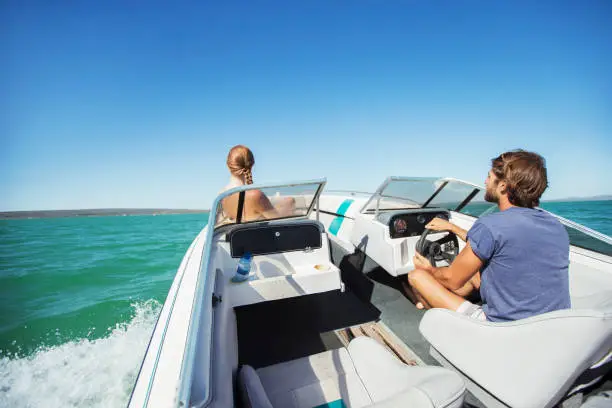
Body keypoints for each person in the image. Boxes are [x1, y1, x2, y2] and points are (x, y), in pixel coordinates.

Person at [406, 150, 570, 322]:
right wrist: (452, 228)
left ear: (503, 185)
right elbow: (492, 242)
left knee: (416, 276)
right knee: (475, 275)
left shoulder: (489, 225)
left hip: (502, 328)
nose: (485, 182)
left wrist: (429, 269)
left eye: (489, 177)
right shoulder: (556, 226)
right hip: (552, 326)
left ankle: (439, 318)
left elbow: (451, 279)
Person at [219, 145, 294, 222]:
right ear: (251, 165)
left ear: (228, 165)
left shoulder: (221, 196)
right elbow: (278, 220)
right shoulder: (255, 195)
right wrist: (289, 203)